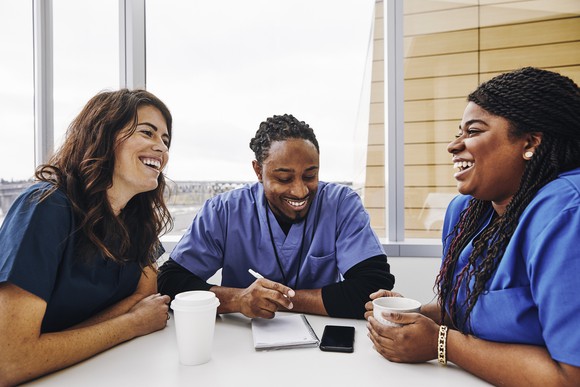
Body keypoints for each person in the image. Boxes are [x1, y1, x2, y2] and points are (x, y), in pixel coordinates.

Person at [365, 67, 580, 385]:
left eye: (474, 132)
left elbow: (570, 377)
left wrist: (441, 344)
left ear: (530, 142)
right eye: (459, 132)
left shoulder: (566, 211)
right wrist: (414, 315)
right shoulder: (466, 212)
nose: (454, 146)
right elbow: (470, 308)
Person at [0, 89, 173, 385]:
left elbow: (147, 298)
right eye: (148, 133)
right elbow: (11, 361)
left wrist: (52, 342)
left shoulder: (139, 220)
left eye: (166, 140)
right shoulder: (44, 207)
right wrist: (129, 324)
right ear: (104, 136)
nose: (161, 148)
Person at [158, 114, 394, 319]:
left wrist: (279, 301)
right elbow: (171, 283)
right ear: (258, 171)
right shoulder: (224, 211)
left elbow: (374, 290)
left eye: (310, 176)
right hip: (240, 339)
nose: (300, 191)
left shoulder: (341, 204)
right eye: (284, 178)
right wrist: (239, 300)